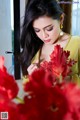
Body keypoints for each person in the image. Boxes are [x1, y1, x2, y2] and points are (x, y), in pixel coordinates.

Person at [20, 0, 80, 83]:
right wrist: (32, 78)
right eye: (37, 30)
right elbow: (27, 86)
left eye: (49, 29)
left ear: (61, 19)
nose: (44, 36)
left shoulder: (76, 43)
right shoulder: (34, 46)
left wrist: (66, 80)